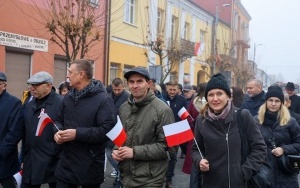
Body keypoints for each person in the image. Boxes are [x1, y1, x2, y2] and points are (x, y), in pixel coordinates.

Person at [191, 73, 267, 187]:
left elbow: (259, 148)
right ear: (207, 98)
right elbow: (195, 149)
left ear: (228, 96)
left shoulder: (242, 116)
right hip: (210, 182)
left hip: (238, 183)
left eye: (219, 94)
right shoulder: (201, 120)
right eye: (211, 95)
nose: (215, 98)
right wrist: (199, 161)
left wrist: (244, 172)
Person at [54, 59, 116, 187]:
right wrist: (57, 132)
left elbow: (106, 131)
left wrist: (77, 134)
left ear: (81, 74)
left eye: (70, 72)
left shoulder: (103, 99)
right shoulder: (69, 97)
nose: (67, 75)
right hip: (66, 166)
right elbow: (58, 120)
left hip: (89, 168)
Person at [112, 67, 175, 187]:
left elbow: (168, 148)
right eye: (131, 82)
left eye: (139, 81)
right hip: (127, 175)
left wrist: (134, 152)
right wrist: (116, 150)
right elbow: (122, 136)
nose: (135, 85)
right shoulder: (124, 108)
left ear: (149, 84)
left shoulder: (163, 110)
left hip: (150, 179)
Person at [255, 85, 300, 187]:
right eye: (270, 100)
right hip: (262, 171)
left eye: (277, 101)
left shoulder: (290, 121)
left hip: (285, 172)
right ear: (266, 102)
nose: (273, 104)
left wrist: (284, 149)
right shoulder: (256, 121)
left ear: (281, 103)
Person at [163, 80, 188, 188]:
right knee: (161, 155)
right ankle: (160, 176)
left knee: (173, 156)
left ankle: (169, 179)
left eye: (174, 90)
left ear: (177, 89)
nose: (172, 92)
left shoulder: (182, 100)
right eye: (170, 89)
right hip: (162, 130)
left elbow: (185, 115)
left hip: (175, 130)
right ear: (166, 88)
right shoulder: (161, 99)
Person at [0, 72, 23, 188]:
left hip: (5, 159)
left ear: (4, 85)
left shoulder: (14, 103)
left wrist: (1, 151)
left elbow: (15, 132)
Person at [182, 82, 207, 188]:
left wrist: (192, 126)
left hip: (195, 136)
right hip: (205, 137)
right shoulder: (210, 101)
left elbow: (188, 118)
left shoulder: (193, 101)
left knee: (195, 164)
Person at [106, 78, 129, 180]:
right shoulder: (109, 96)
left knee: (118, 155)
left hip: (122, 130)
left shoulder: (128, 97)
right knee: (109, 153)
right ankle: (121, 173)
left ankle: (122, 174)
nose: (116, 92)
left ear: (123, 87)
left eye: (119, 89)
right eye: (114, 89)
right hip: (110, 130)